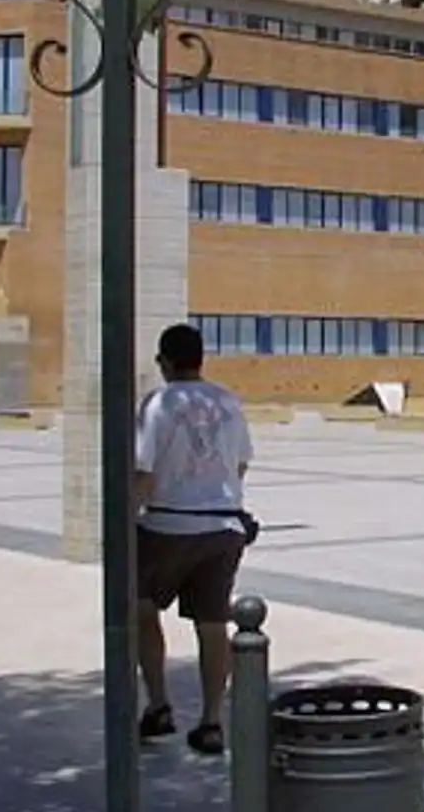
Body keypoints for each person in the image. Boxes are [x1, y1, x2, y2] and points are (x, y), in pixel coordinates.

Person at [133, 323, 254, 756]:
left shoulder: (159, 403)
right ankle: (211, 720)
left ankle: (160, 704)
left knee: (142, 608)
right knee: (213, 623)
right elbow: (240, 464)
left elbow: (143, 473)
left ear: (164, 361)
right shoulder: (228, 401)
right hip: (222, 527)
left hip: (168, 526)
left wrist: (129, 517)